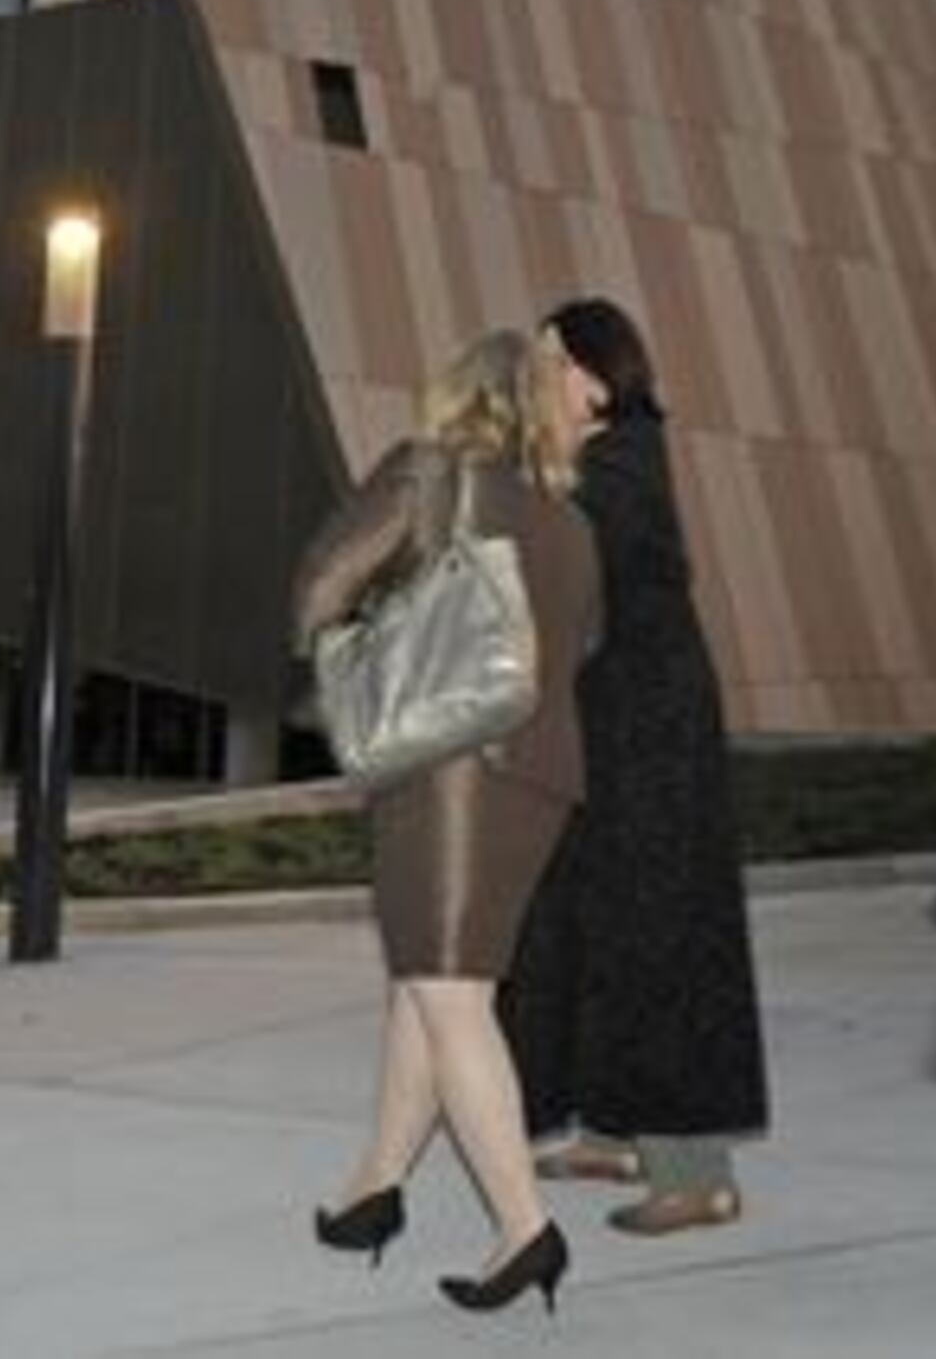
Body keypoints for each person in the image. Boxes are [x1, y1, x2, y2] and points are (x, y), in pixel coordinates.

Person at [294, 331, 602, 1316]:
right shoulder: (566, 516)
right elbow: (580, 643)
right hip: (545, 773)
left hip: (451, 773)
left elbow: (317, 585)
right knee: (427, 984)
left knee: (450, 994)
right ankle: (372, 1189)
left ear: (463, 396)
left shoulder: (431, 471)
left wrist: (362, 639)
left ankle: (525, 1227)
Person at [500, 296, 769, 1238]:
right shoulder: (598, 467)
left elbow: (558, 572)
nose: (536, 379)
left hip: (649, 751)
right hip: (612, 741)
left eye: (547, 361)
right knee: (594, 934)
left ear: (593, 375)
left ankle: (698, 1176)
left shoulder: (620, 470)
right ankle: (618, 1129)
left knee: (660, 944)